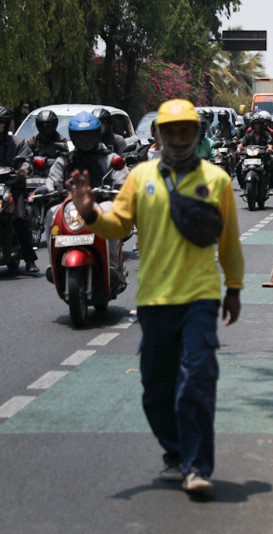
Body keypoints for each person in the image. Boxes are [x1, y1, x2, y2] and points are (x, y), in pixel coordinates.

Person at [67, 99, 244, 495]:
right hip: (154, 300)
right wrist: (90, 213)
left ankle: (197, 467)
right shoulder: (140, 177)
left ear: (197, 134)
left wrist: (233, 288)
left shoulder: (216, 180)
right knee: (156, 389)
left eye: (186, 131)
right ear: (158, 136)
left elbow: (229, 240)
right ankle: (176, 454)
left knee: (197, 380)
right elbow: (118, 227)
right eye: (171, 132)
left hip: (200, 297)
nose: (178, 139)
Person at [46, 111, 129, 284]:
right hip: (71, 204)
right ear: (73, 137)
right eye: (80, 136)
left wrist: (116, 191)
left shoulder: (110, 157)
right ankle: (53, 264)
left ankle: (113, 266)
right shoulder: (65, 159)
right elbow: (52, 180)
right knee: (51, 213)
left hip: (101, 204)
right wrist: (50, 190)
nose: (84, 140)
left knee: (110, 211)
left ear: (98, 134)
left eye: (89, 135)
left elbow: (123, 181)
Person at [0, 105, 38, 272]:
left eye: (1, 123)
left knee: (20, 217)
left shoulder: (17, 143)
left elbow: (27, 160)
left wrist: (24, 170)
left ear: (6, 124)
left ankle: (30, 259)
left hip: (12, 187)